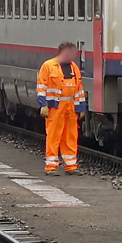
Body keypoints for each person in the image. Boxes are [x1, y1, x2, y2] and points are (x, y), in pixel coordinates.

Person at [37, 42, 86, 174]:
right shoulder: (48, 66)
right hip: (55, 108)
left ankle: (71, 166)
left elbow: (79, 90)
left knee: (70, 136)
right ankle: (51, 166)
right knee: (53, 136)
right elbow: (42, 87)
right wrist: (43, 105)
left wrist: (81, 108)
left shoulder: (74, 67)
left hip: (70, 108)